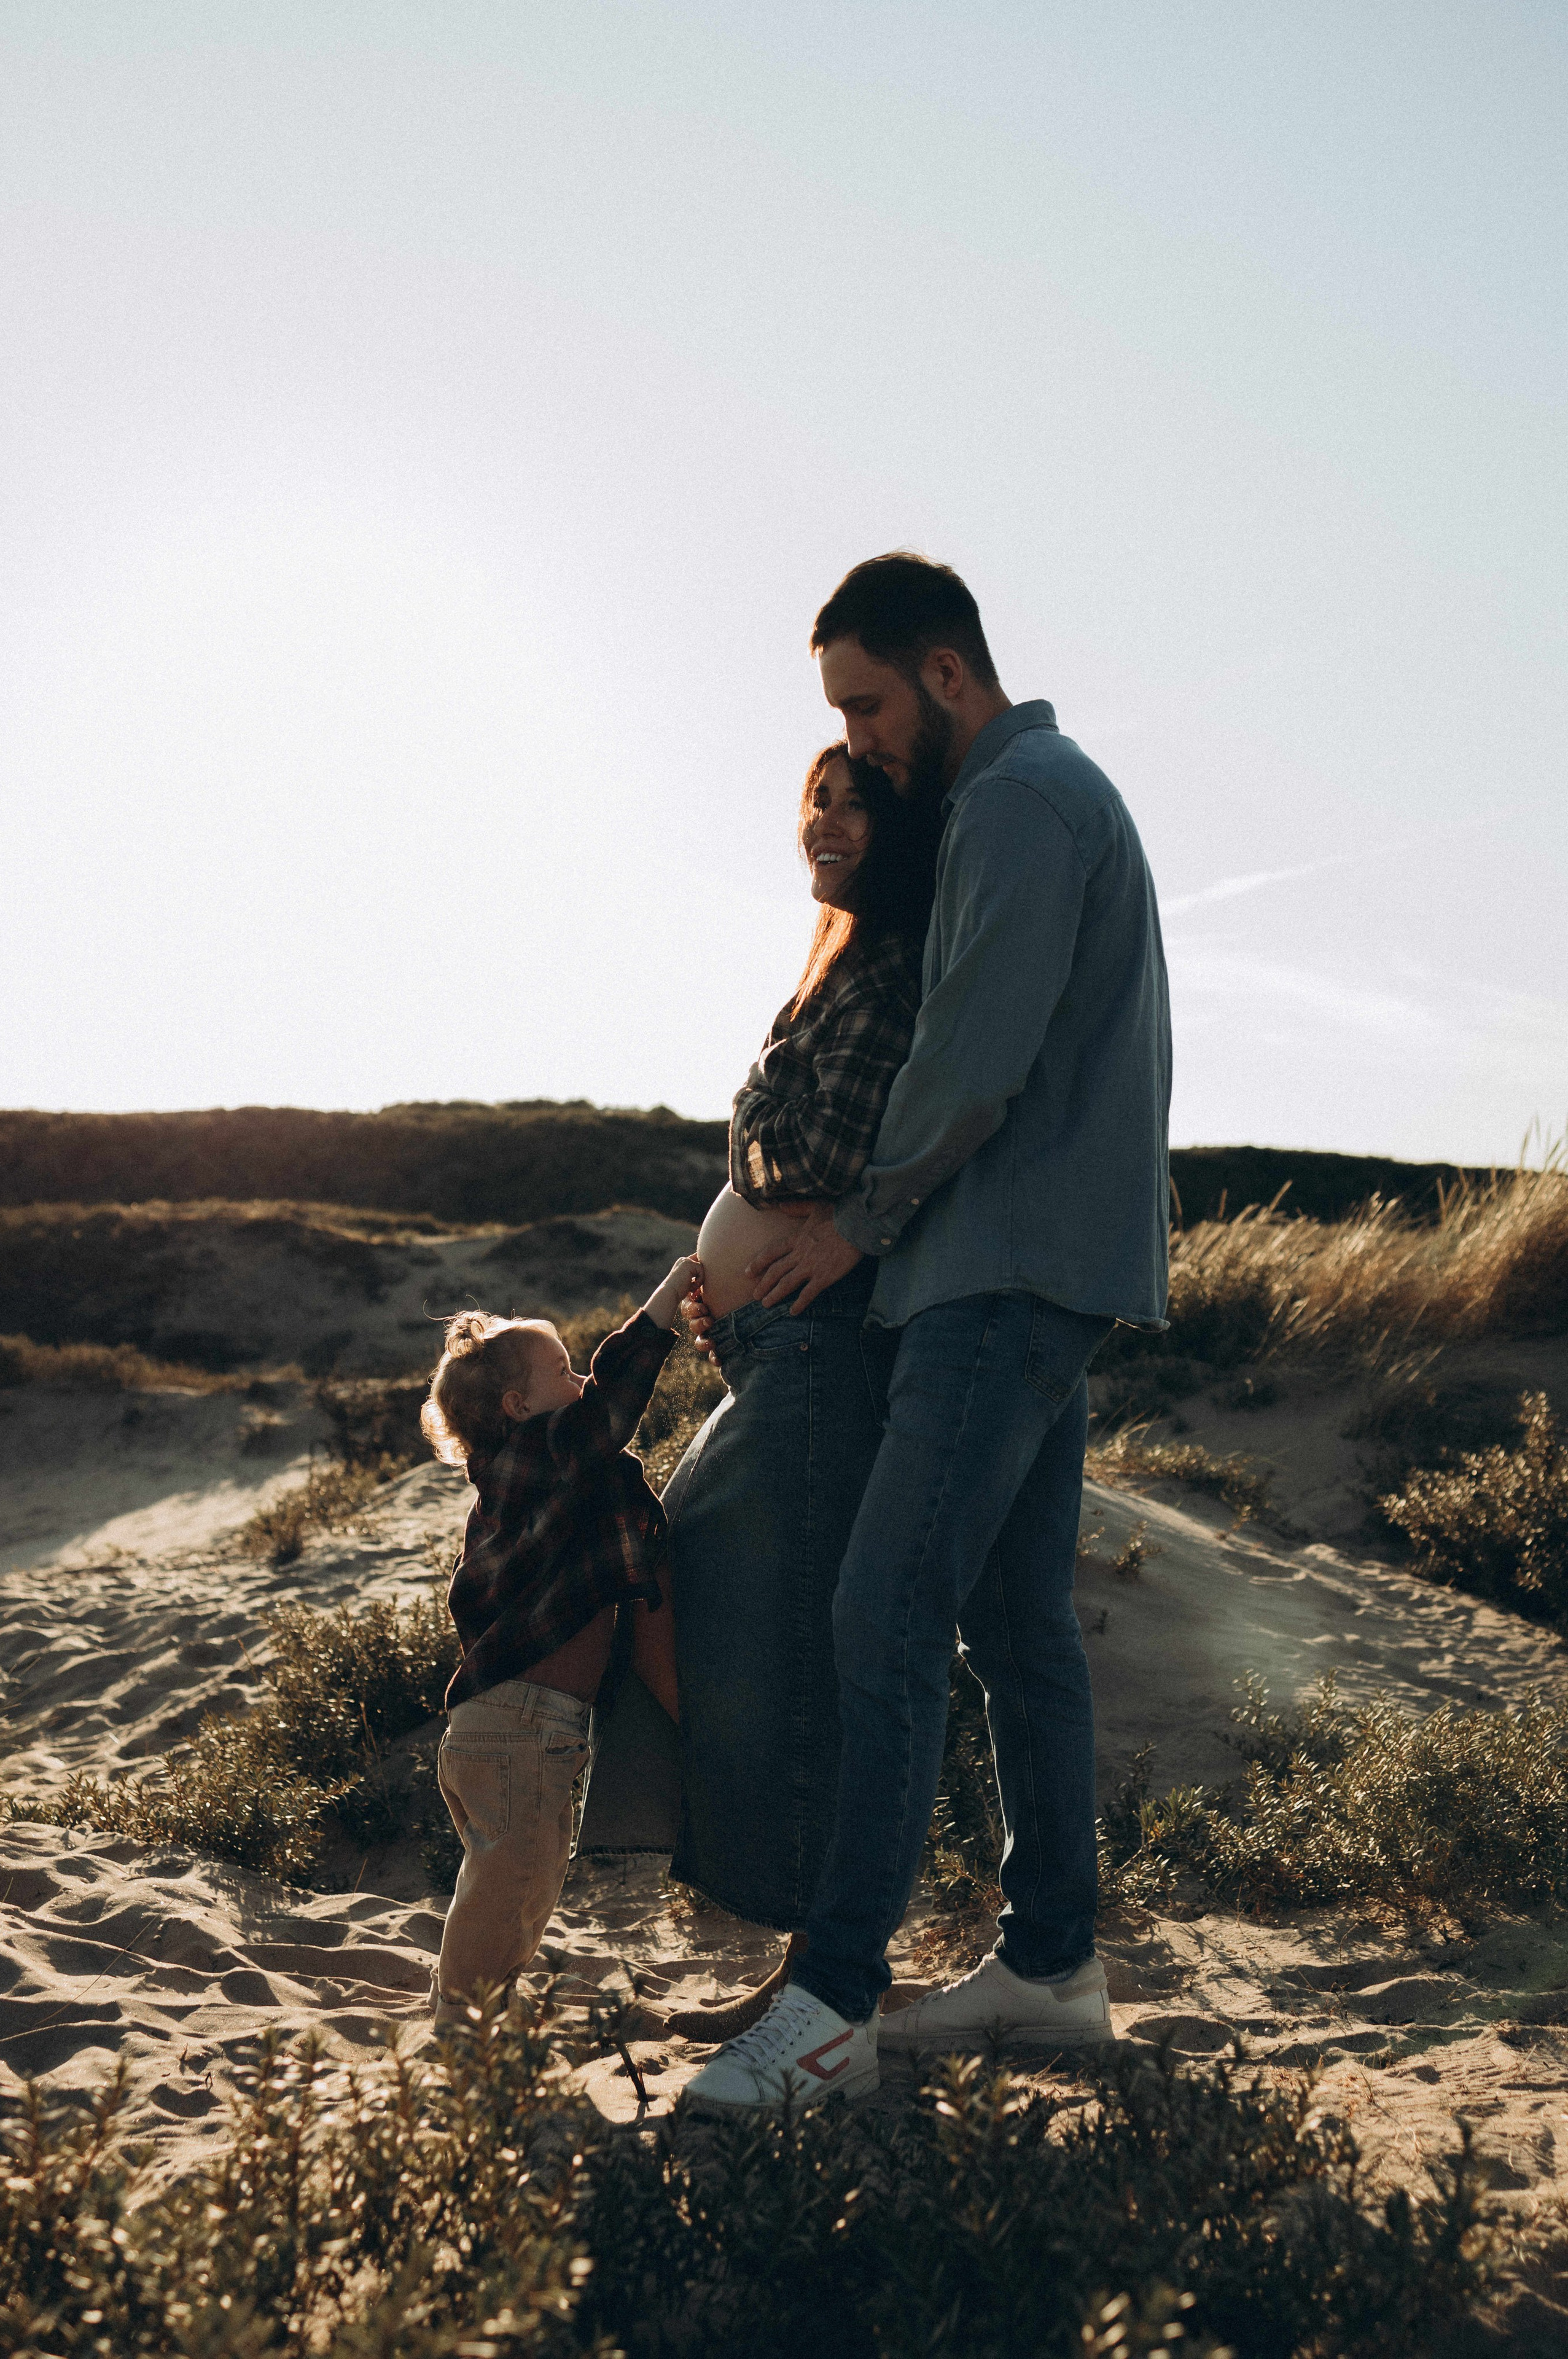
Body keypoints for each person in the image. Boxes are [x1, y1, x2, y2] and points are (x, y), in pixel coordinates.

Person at [685, 553, 1171, 2113]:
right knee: (1015, 1627)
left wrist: (858, 1223)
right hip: (1028, 1264)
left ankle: (831, 1999)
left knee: (880, 1609)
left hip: (993, 1267)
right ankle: (1051, 1965)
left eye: (867, 704)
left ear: (947, 672)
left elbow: (972, 1052)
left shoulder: (1019, 801)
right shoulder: (1027, 794)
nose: (859, 739)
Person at [650, 741, 941, 2014]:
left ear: (898, 826)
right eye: (813, 801)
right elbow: (782, 1161)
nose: (822, 821)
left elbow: (817, 1147)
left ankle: (824, 1972)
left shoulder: (886, 965)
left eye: (851, 803)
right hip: (777, 1351)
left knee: (791, 1648)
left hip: (826, 1355)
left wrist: (748, 1146)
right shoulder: (830, 970)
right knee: (729, 1596)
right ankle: (796, 1946)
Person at [420, 1254, 700, 2023]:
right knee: (508, 1890)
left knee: (524, 1888)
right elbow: (610, 1406)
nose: (581, 1384)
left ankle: (480, 2014)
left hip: (529, 1734)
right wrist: (663, 1306)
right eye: (565, 1372)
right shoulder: (529, 1463)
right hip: (514, 1729)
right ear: (517, 1407)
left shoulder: (558, 1478)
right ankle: (458, 2026)